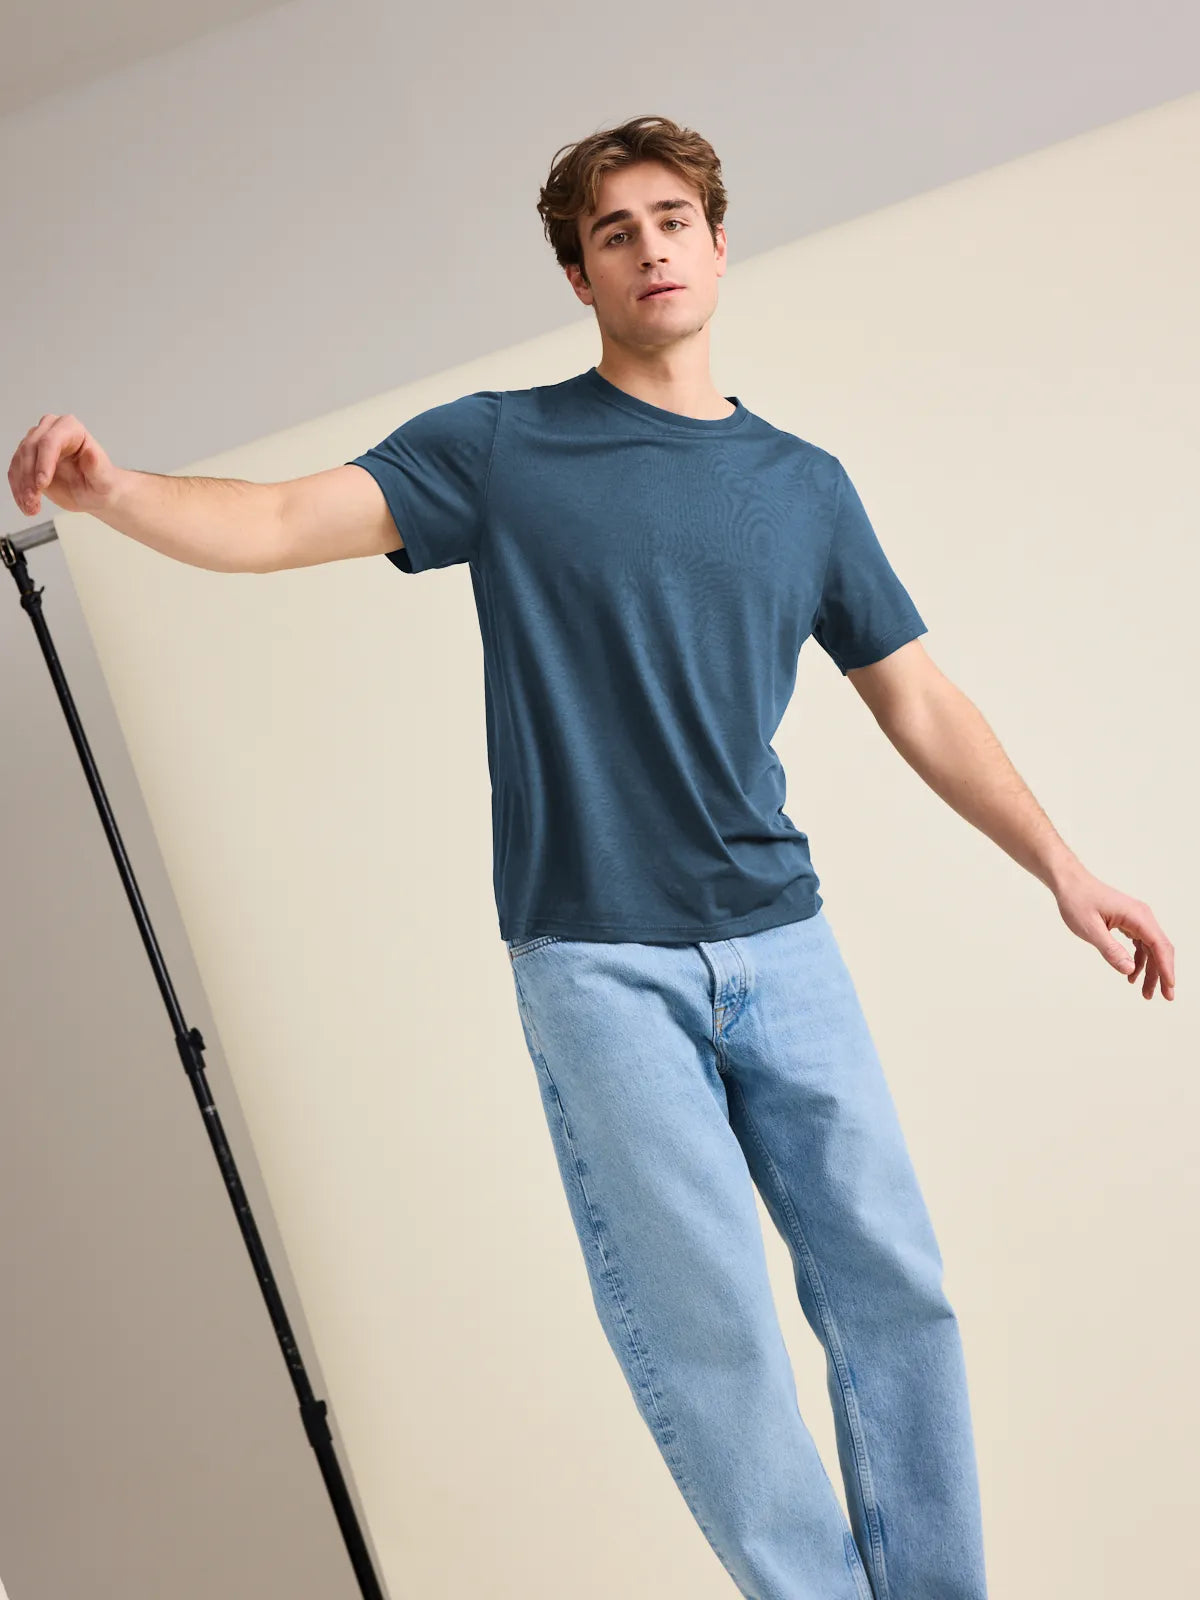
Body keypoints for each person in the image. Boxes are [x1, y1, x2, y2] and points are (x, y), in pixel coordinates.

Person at [8, 113, 1175, 1600]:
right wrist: (115, 492)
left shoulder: (803, 484)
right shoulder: (503, 447)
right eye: (615, 233)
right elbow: (287, 517)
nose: (650, 249)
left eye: (673, 220)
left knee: (898, 1289)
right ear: (580, 275)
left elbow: (920, 698)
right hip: (598, 961)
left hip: (782, 937)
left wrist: (1062, 867)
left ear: (718, 244)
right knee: (712, 1340)